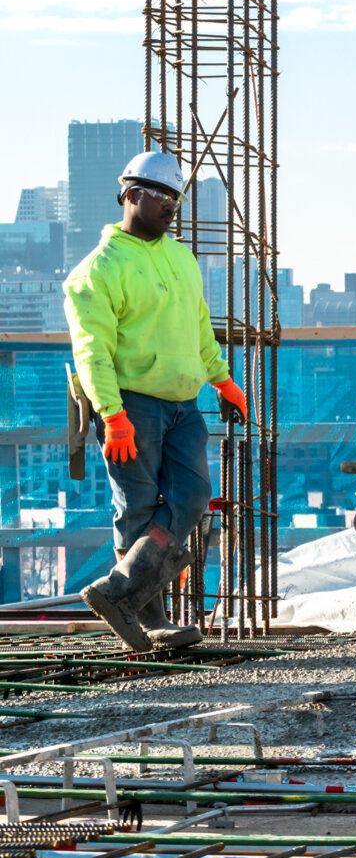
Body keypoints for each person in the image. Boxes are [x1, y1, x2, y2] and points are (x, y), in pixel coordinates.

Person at [64, 151, 248, 653]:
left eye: (176, 197)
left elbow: (198, 325)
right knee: (139, 508)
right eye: (161, 195)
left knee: (191, 496)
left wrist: (223, 380)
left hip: (183, 404)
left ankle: (117, 592)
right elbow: (91, 350)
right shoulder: (97, 270)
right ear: (131, 195)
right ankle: (152, 623)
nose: (171, 205)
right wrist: (112, 414)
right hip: (132, 405)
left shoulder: (180, 256)